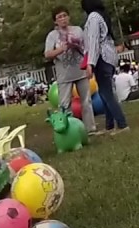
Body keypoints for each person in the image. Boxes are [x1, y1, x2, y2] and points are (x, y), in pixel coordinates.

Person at [45, 7, 97, 135]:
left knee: (86, 101)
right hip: (64, 75)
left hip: (80, 71)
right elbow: (47, 54)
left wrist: (77, 46)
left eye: (64, 16)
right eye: (59, 17)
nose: (63, 19)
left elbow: (87, 49)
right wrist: (61, 49)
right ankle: (68, 130)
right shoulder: (52, 35)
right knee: (64, 105)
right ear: (55, 21)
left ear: (69, 17)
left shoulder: (78, 30)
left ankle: (90, 129)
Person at [81, 0, 128, 133]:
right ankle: (109, 125)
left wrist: (90, 63)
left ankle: (122, 124)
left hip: (101, 57)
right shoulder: (103, 15)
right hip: (110, 57)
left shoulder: (93, 17)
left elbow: (94, 41)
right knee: (104, 91)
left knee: (106, 93)